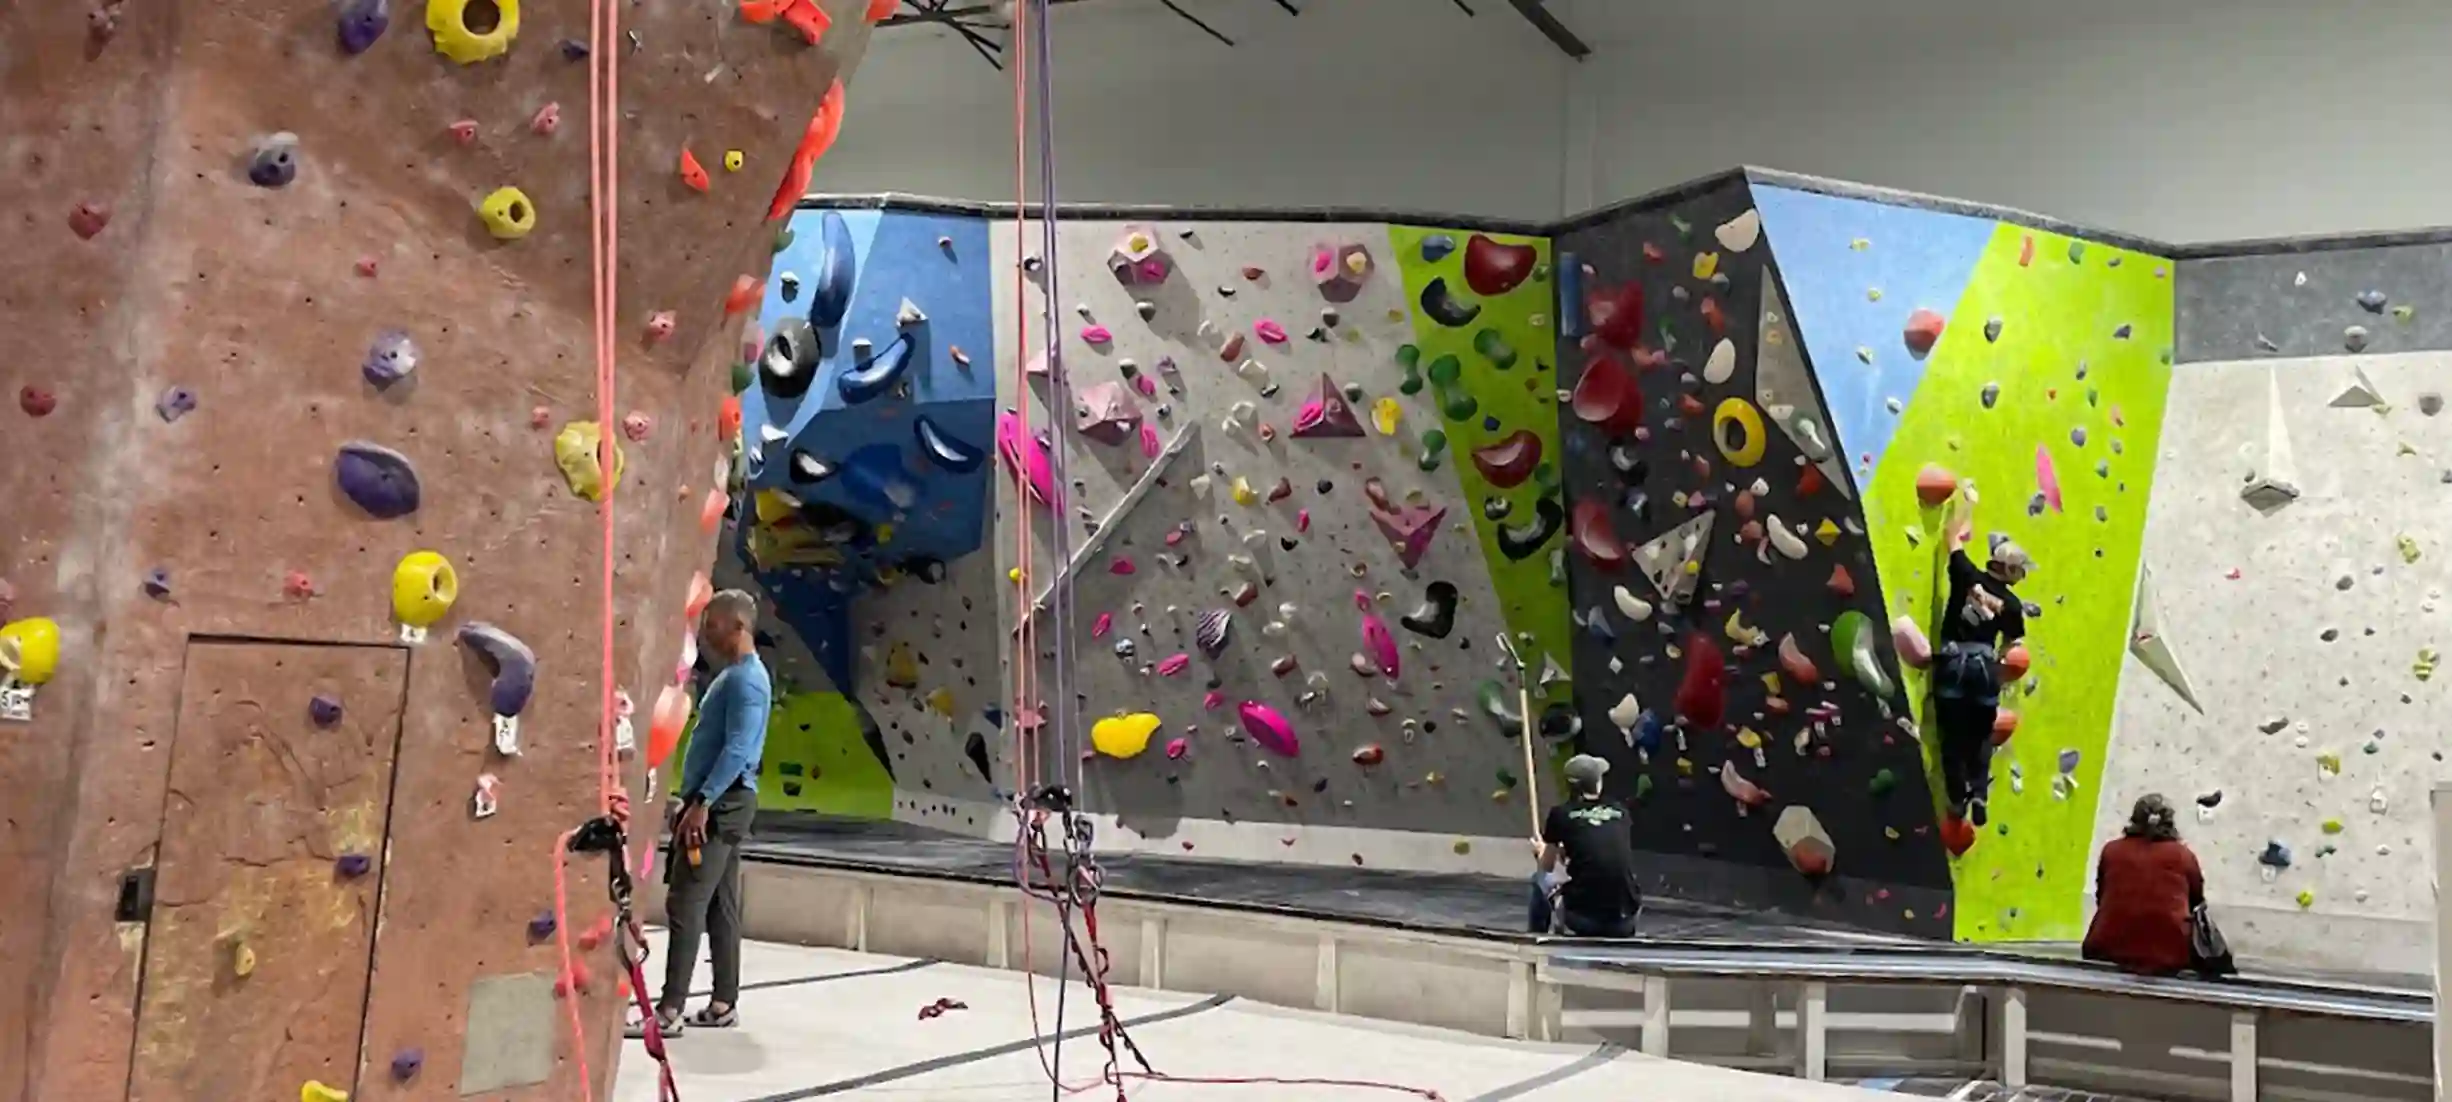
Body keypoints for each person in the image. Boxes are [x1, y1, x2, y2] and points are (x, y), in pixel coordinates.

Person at [631, 589, 773, 1038]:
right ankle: (723, 1002)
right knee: (719, 906)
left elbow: (738, 748)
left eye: (711, 624)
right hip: (721, 801)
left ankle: (668, 1011)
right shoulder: (736, 676)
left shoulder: (747, 681)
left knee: (686, 903)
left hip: (721, 804)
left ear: (737, 626)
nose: (705, 632)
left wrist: (702, 803)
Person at [1934, 495, 2031, 827]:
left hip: (1951, 663)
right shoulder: (2013, 605)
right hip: (1984, 669)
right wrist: (1998, 664)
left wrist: (1967, 504)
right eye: (2019, 570)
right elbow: (2012, 645)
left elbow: (1952, 537)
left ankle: (1957, 798)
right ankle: (1979, 792)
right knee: (1979, 738)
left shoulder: (1965, 573)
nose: (2021, 576)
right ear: (2007, 569)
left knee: (1950, 737)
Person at [2083, 794, 2210, 976]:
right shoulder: (2184, 856)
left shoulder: (2112, 851)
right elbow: (2196, 902)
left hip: (2107, 945)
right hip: (2170, 953)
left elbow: (2102, 895)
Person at [1528, 754, 1642, 937]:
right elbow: (1597, 849)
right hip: (1626, 920)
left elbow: (1547, 866)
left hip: (1585, 921)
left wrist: (1540, 851)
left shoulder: (1561, 814)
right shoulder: (1620, 810)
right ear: (1597, 783)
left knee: (1539, 878)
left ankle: (1535, 939)